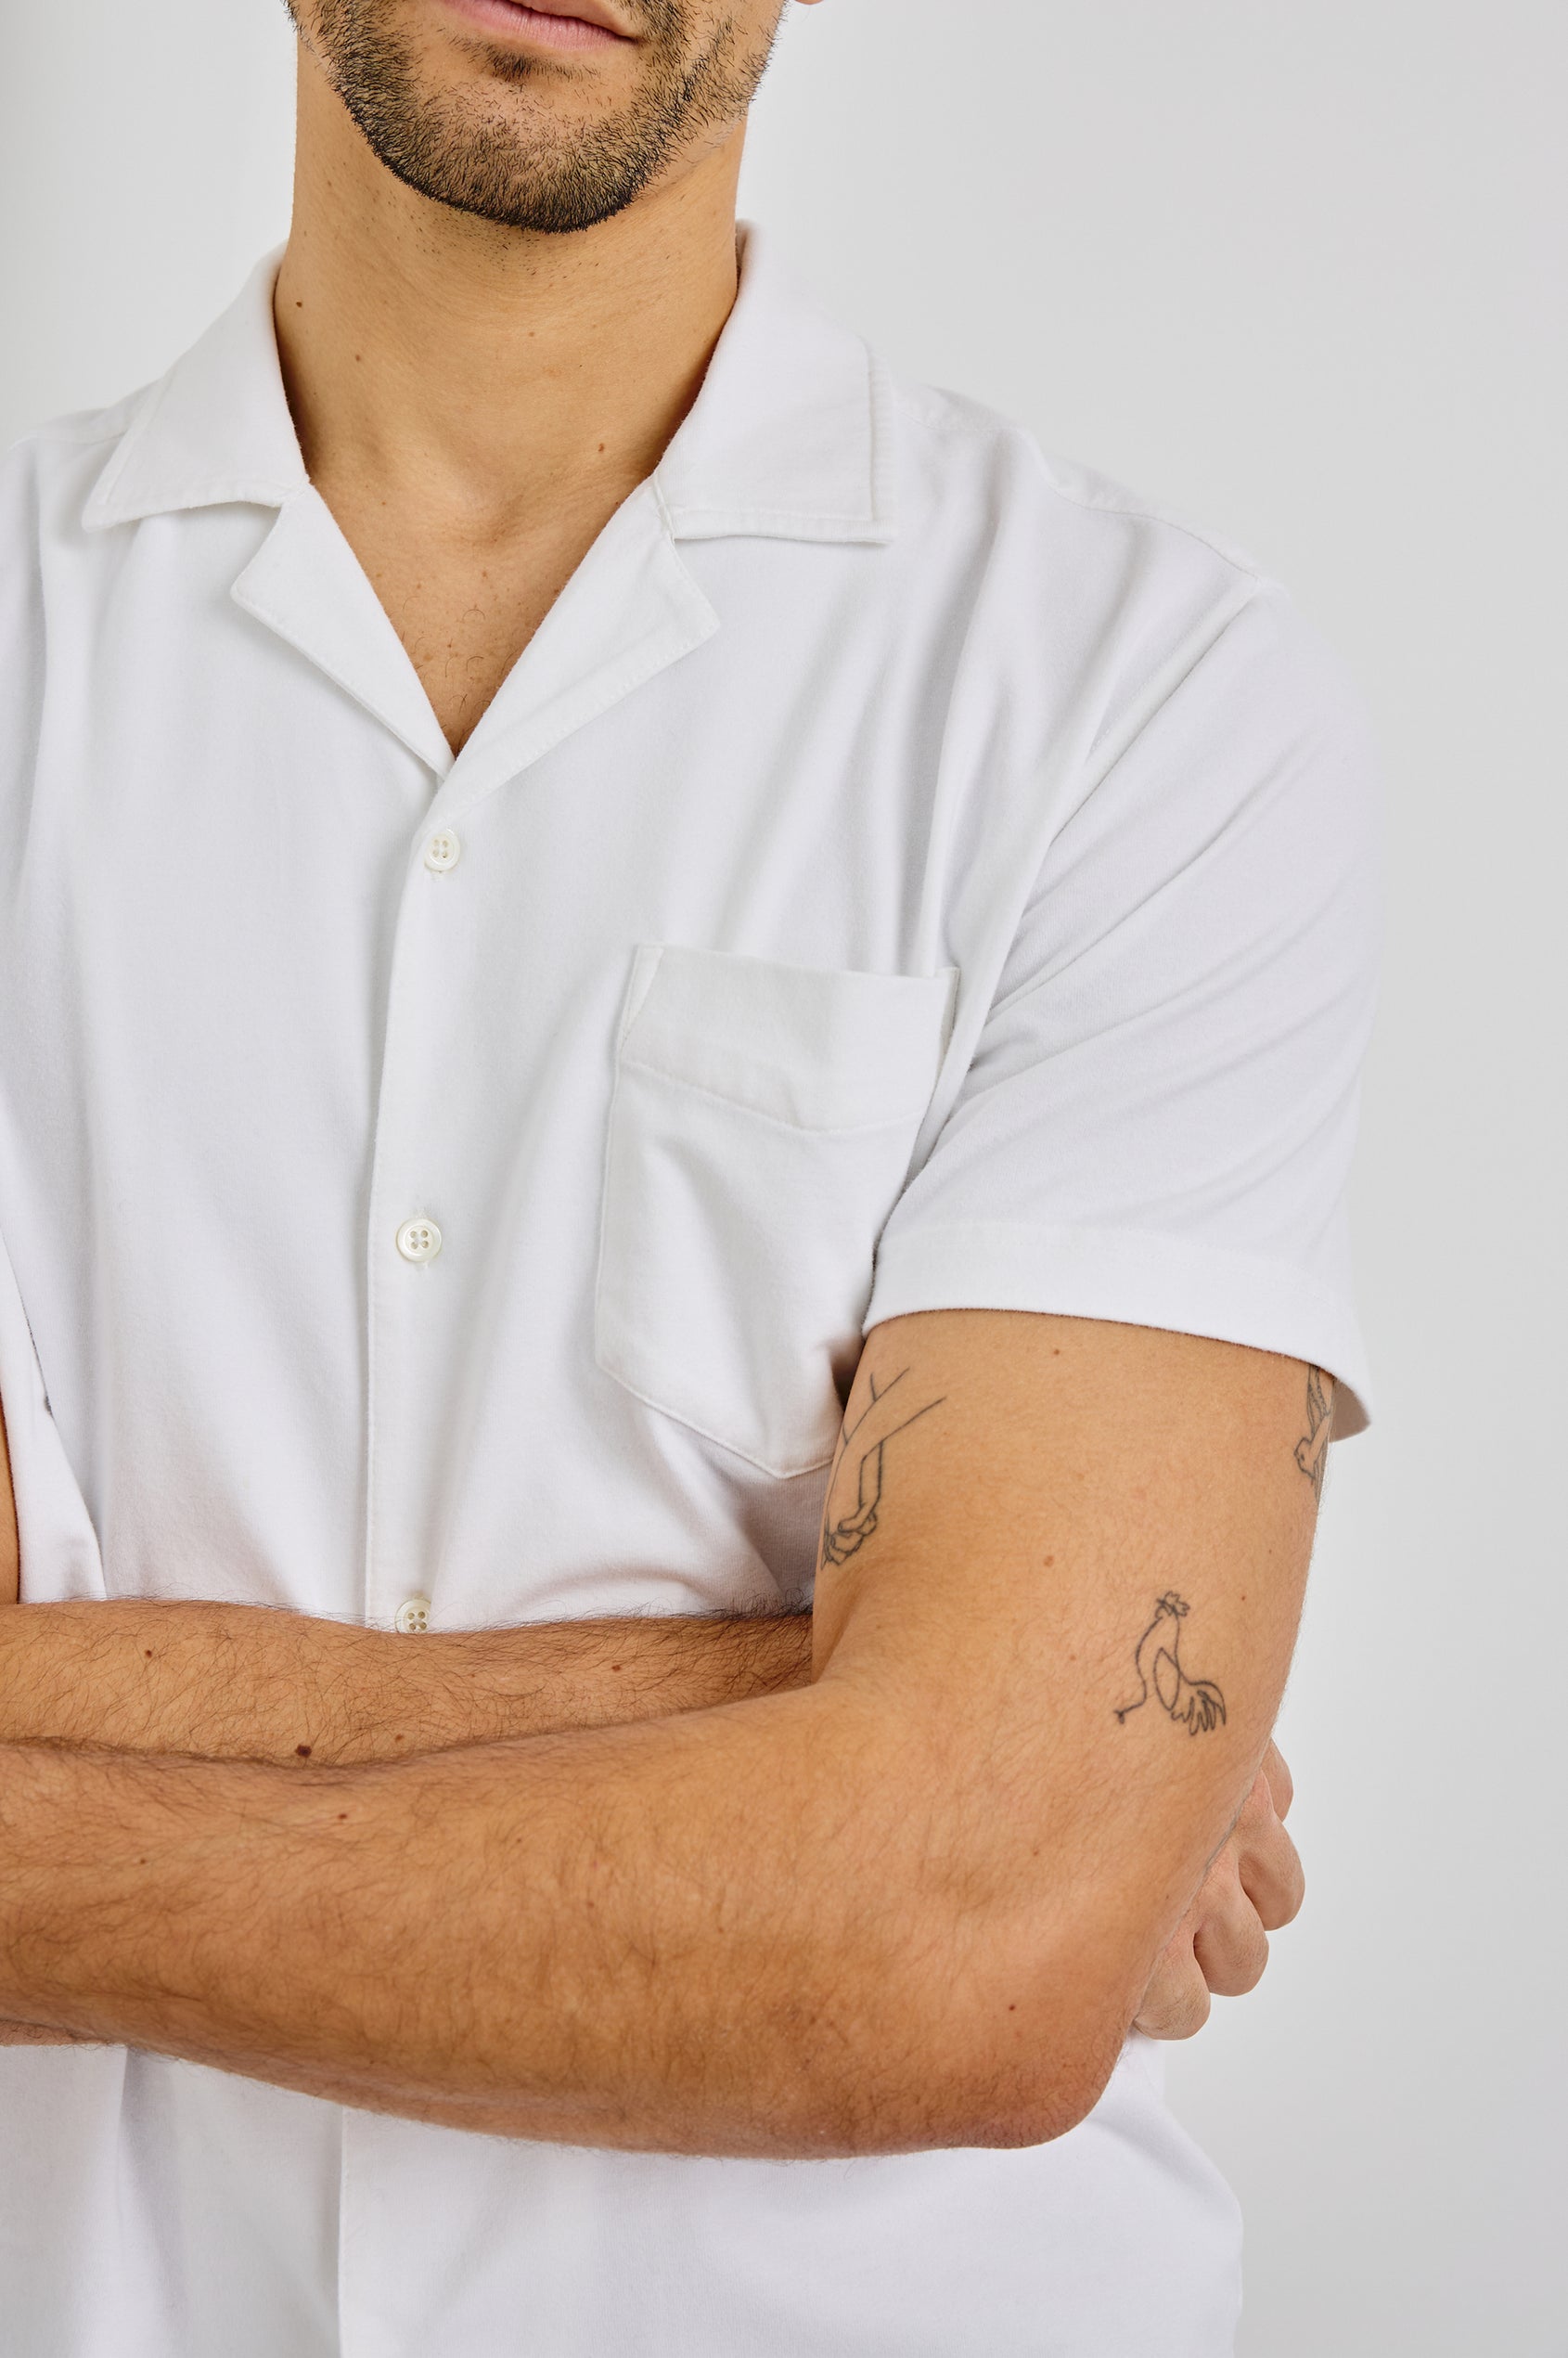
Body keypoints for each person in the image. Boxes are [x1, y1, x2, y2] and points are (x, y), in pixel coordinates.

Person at [0, 1, 1381, 2352]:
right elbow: (993, 1859)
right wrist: (906, 1741)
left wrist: (1007, 1834)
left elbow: (968, 1950)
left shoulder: (1133, 694)